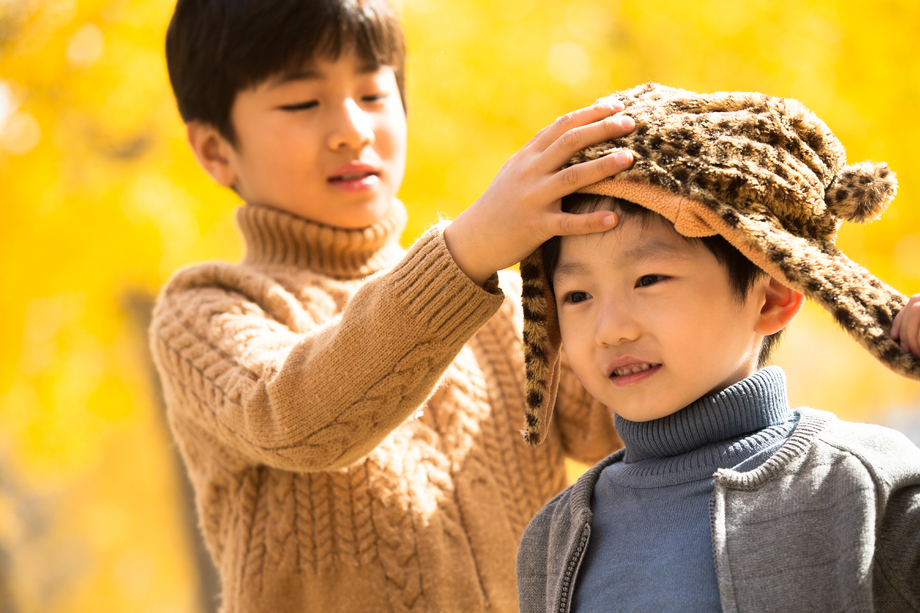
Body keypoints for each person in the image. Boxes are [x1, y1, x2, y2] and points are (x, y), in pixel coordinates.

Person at [150, 0, 636, 611]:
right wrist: (471, 249)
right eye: (303, 102)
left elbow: (612, 425)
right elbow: (297, 422)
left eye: (374, 95)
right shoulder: (207, 311)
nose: (351, 129)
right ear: (216, 150)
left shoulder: (499, 298)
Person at [514, 83, 920, 612]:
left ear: (772, 295)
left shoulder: (858, 481)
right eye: (578, 295)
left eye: (649, 279)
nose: (610, 329)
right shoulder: (554, 540)